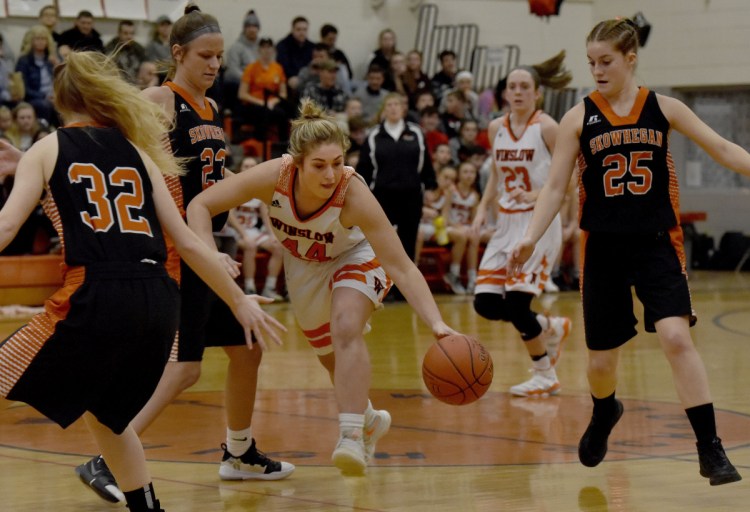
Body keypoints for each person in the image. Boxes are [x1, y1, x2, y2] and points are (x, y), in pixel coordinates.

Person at [0, 49, 284, 512]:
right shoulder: (140, 152)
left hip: (95, 294)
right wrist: (237, 300)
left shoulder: (47, 147)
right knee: (109, 415)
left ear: (59, 100)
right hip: (157, 303)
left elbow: (8, 227)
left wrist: (29, 163)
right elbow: (192, 244)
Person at [508, 18, 749, 485]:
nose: (597, 70)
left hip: (657, 243)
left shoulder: (663, 107)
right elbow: (556, 186)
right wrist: (530, 236)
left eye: (606, 61)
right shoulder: (579, 117)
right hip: (603, 250)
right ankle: (605, 411)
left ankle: (710, 448)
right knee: (602, 363)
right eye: (591, 62)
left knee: (677, 338)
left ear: (630, 59)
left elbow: (720, 146)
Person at [74, 6, 294, 503]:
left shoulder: (213, 108)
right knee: (186, 366)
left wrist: (221, 242)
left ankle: (238, 452)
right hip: (176, 249)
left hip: (206, 246)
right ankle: (105, 457)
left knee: (248, 345)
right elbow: (103, 147)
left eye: (219, 56)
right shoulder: (158, 99)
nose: (216, 65)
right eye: (205, 56)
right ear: (177, 54)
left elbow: (209, 187)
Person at [187, 98, 457, 475]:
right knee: (331, 357)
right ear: (296, 163)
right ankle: (368, 418)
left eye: (336, 163)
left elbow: (402, 265)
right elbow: (199, 205)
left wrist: (436, 323)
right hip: (304, 264)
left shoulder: (353, 193)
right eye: (319, 165)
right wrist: (210, 253)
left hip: (356, 254)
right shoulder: (273, 177)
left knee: (346, 326)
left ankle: (351, 437)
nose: (330, 174)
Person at [470, 65, 572, 398]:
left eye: (524, 87)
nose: (517, 92)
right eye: (512, 86)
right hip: (505, 223)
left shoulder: (548, 128)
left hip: (537, 223)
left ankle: (544, 374)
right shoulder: (496, 127)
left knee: (516, 306)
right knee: (485, 304)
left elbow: (568, 180)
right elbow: (497, 177)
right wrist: (484, 206)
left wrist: (534, 195)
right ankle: (550, 327)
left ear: (537, 93)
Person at [357, 92, 437, 271]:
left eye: (396, 104)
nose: (393, 108)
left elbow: (426, 164)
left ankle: (403, 289)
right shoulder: (374, 135)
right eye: (389, 105)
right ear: (384, 110)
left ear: (403, 108)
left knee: (408, 242)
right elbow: (365, 167)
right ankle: (381, 284)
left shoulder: (416, 132)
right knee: (381, 240)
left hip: (411, 196)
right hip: (383, 196)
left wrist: (430, 186)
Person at [233, 156, 284, 299]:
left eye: (252, 166)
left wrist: (272, 234)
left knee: (278, 246)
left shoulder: (260, 188)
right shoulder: (234, 186)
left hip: (253, 231)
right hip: (237, 231)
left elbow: (265, 215)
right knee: (250, 245)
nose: (249, 169)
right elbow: (230, 216)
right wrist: (243, 234)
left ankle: (270, 287)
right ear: (240, 169)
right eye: (246, 166)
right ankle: (249, 288)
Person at [237, 37, 290, 142]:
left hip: (271, 104)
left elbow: (283, 93)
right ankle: (260, 145)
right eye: (264, 47)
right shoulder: (251, 68)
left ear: (273, 50)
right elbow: (242, 94)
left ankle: (284, 146)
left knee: (283, 114)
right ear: (259, 50)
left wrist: (272, 101)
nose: (267, 50)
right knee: (262, 113)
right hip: (254, 104)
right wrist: (261, 102)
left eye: (269, 47)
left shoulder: (278, 68)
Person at [442, 161, 482, 294]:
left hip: (463, 229)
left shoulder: (475, 195)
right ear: (459, 174)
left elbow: (474, 219)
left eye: (472, 172)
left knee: (474, 236)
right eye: (465, 172)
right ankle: (454, 274)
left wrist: (470, 228)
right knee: (462, 235)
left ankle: (472, 278)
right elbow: (444, 215)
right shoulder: (451, 191)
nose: (469, 175)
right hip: (447, 227)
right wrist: (456, 226)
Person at [15, 25, 57, 125]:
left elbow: (59, 81)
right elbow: (24, 89)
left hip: (52, 96)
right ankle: (44, 131)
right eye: (37, 39)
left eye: (43, 39)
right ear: (31, 41)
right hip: (34, 98)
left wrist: (57, 65)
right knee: (45, 105)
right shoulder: (24, 61)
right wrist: (45, 96)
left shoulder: (51, 59)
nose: (41, 42)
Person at [275, 16, 314, 91]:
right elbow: (283, 66)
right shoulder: (283, 45)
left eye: (304, 29)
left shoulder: (312, 46)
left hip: (307, 78)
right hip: (289, 79)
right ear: (292, 30)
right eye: (298, 29)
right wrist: (293, 77)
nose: (302, 32)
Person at [104, 20, 146, 84]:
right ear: (119, 33)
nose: (129, 37)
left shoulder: (139, 48)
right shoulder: (111, 48)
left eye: (131, 33)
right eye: (125, 33)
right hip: (117, 84)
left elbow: (146, 65)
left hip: (136, 84)